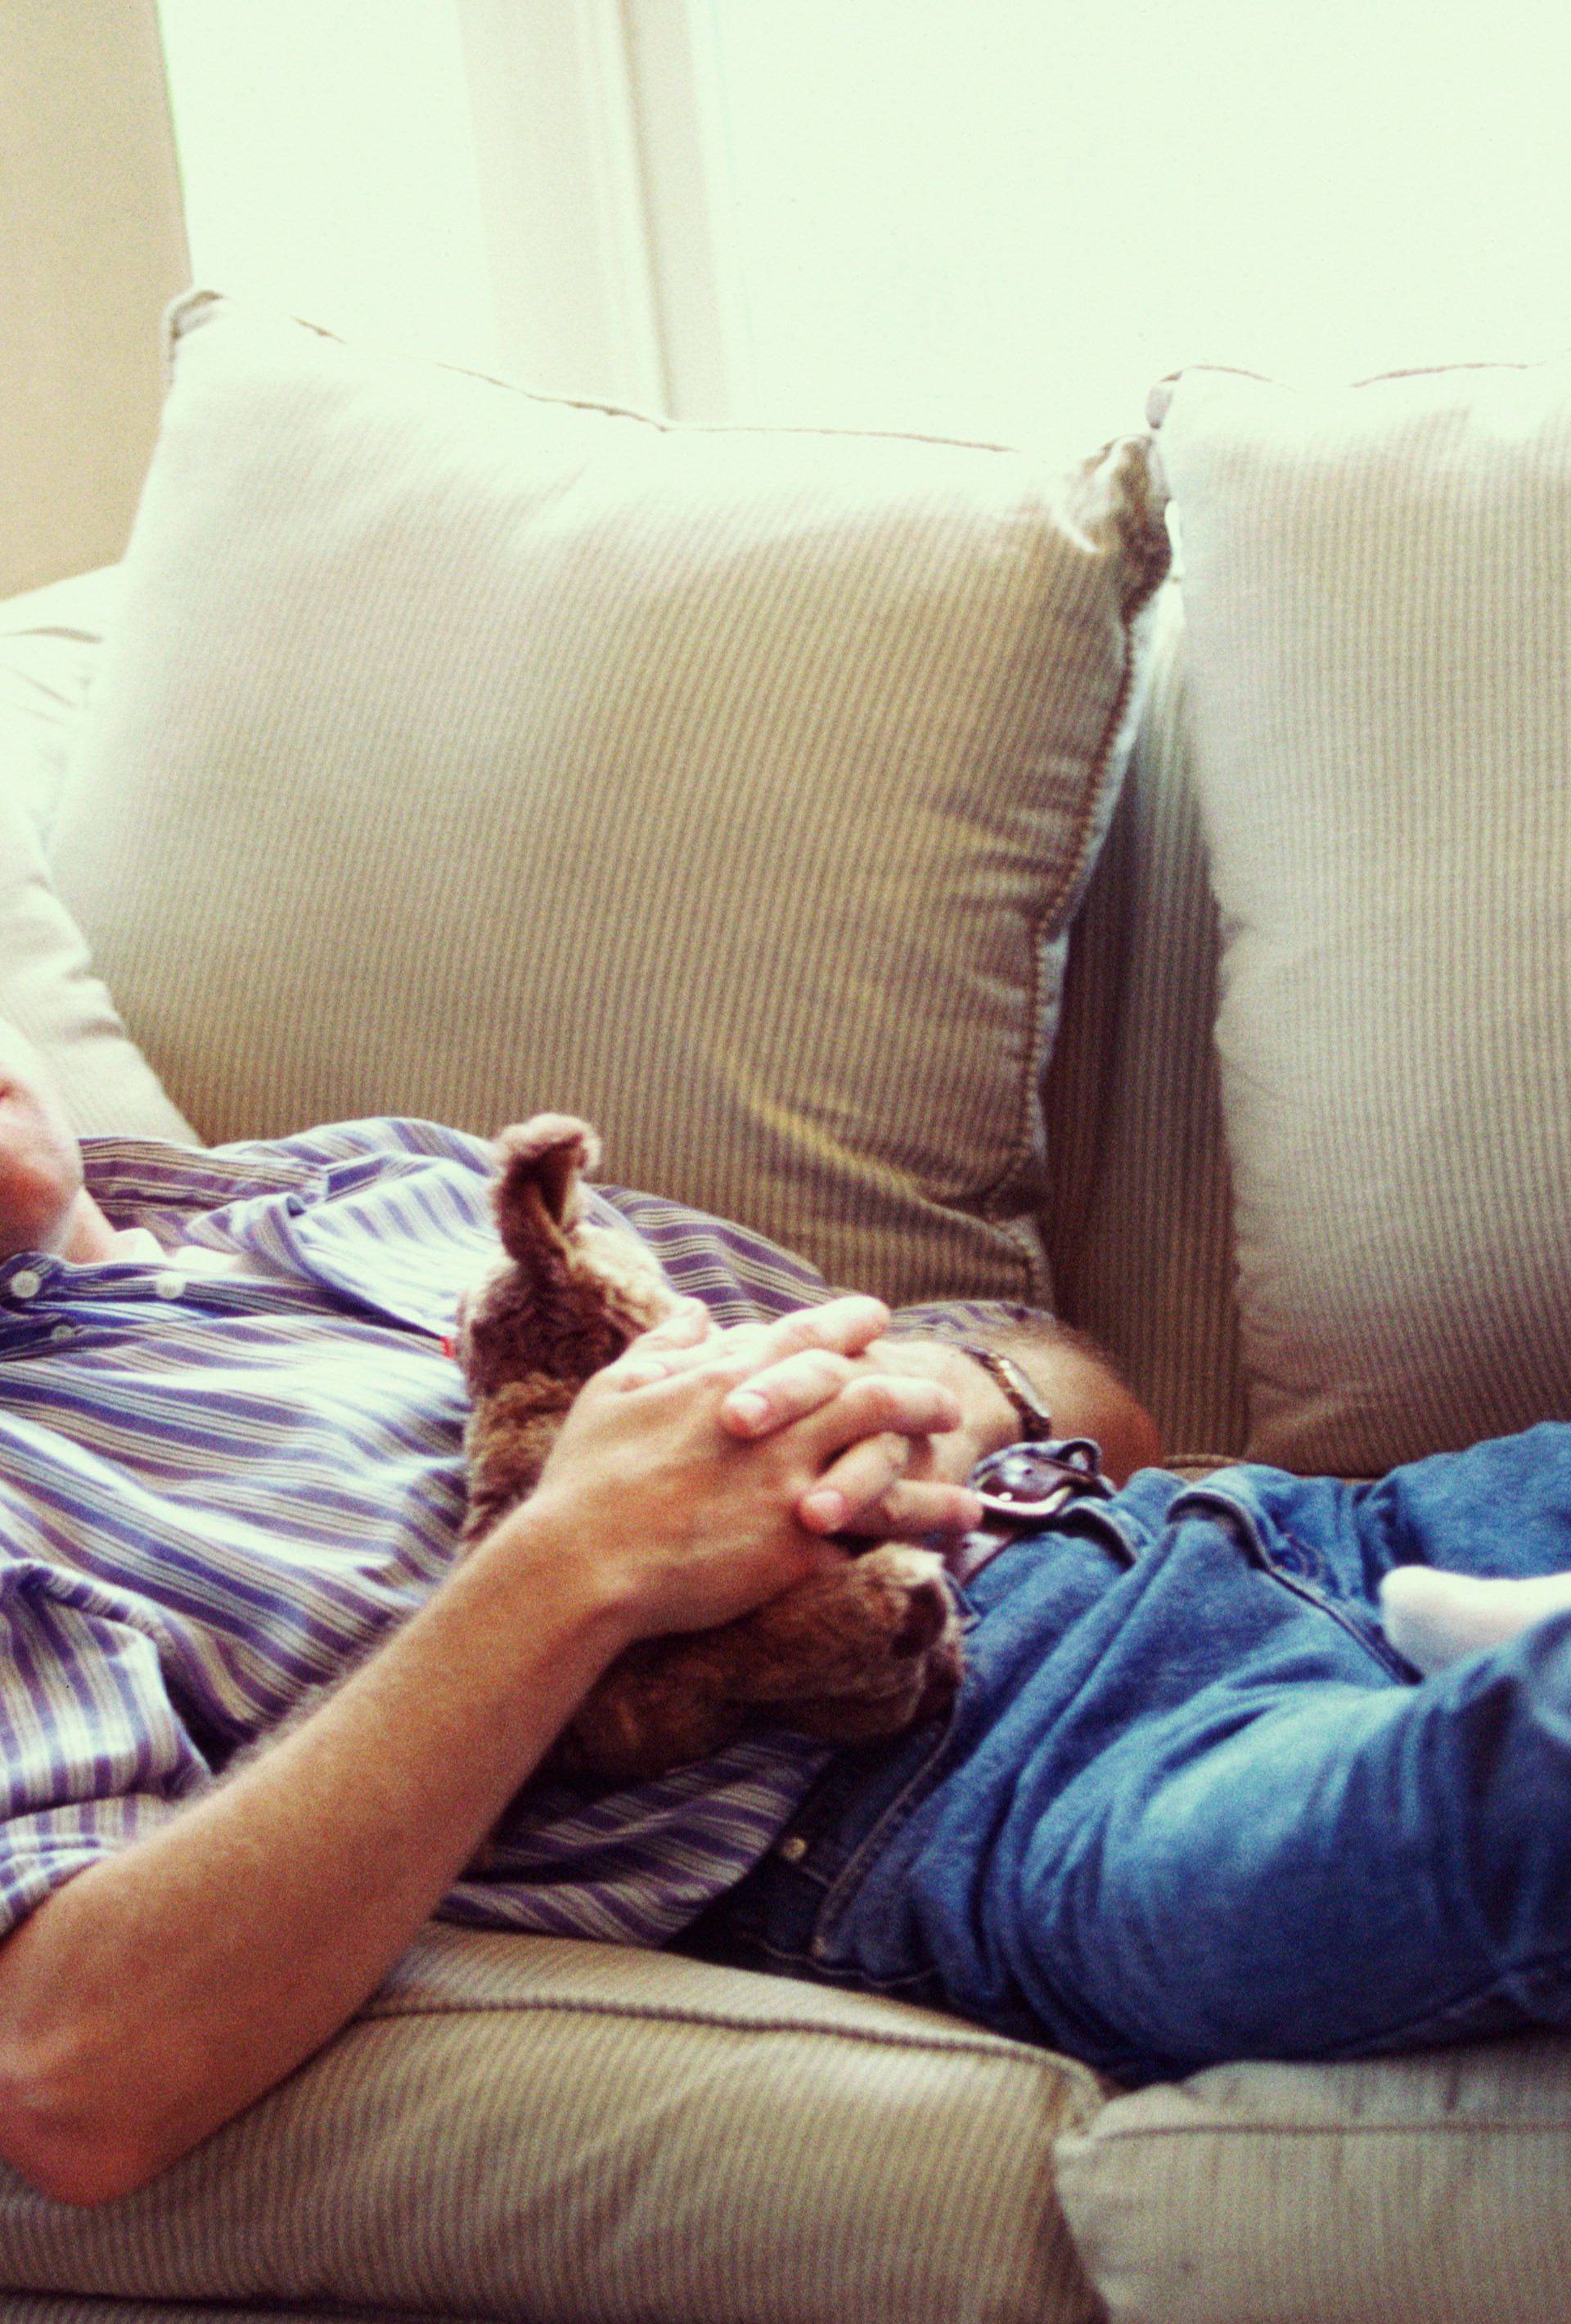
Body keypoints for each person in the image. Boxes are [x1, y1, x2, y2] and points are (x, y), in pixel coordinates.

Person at [0, 1027, 1564, 2205]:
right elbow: (76, 2083)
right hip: (984, 1811)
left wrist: (945, 1403)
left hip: (1279, 1528)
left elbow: (1091, 1399)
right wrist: (582, 1555)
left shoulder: (365, 1178)